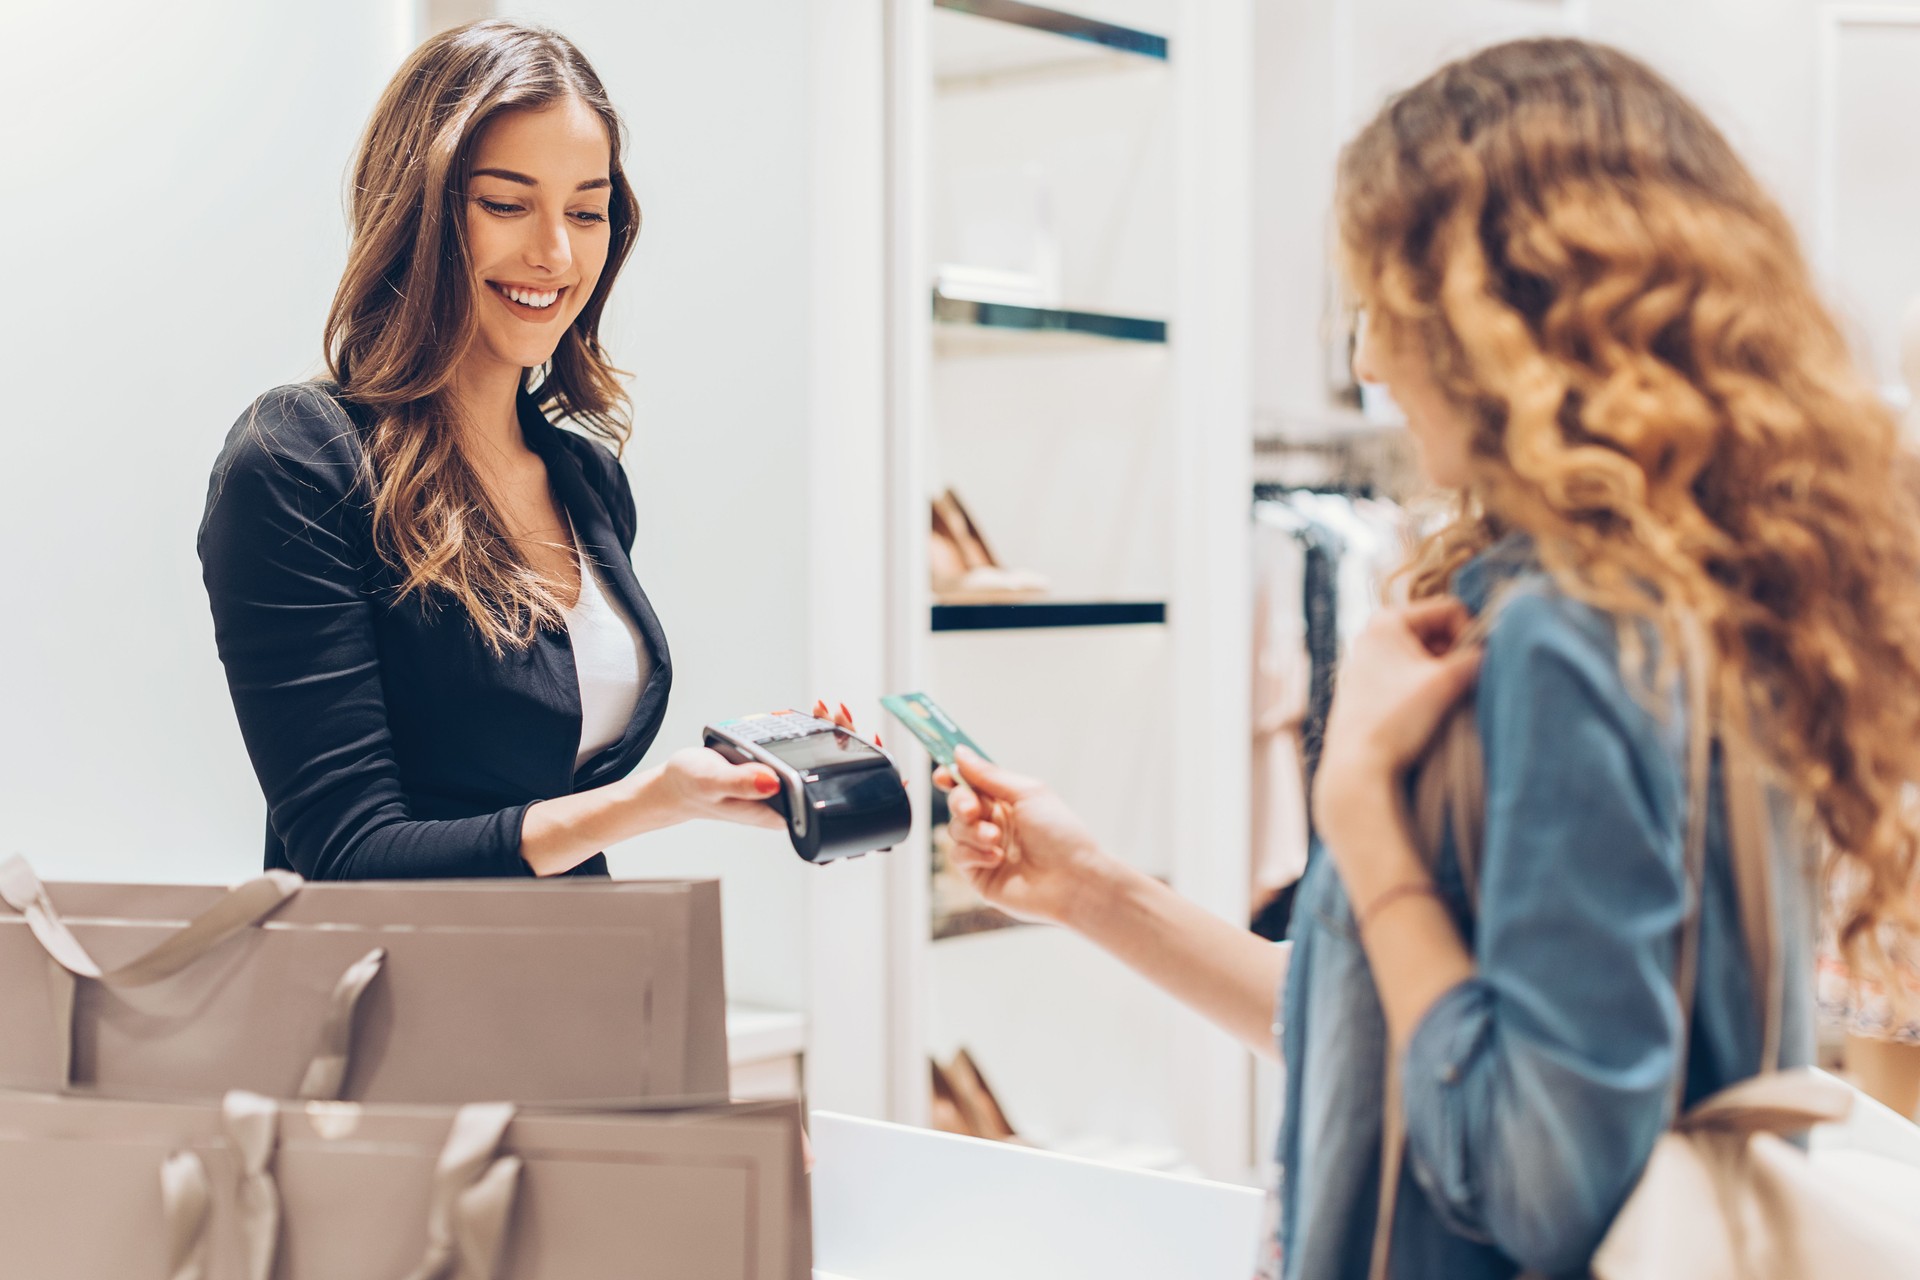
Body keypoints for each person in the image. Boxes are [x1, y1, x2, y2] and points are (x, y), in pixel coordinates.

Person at [938, 37, 1920, 1279]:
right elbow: (1395, 1034)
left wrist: (1363, 815)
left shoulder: (1570, 644)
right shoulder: (1684, 610)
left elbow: (1538, 1177)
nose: (1368, 361)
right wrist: (1093, 889)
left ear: (1503, 318)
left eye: (1387, 307)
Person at [199, 20, 862, 879]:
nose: (554, 253)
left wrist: (727, 775)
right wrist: (658, 800)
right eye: (507, 204)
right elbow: (348, 854)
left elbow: (546, 769)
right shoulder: (296, 463)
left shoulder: (586, 478)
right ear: (416, 209)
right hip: (401, 997)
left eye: (586, 211)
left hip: (577, 977)